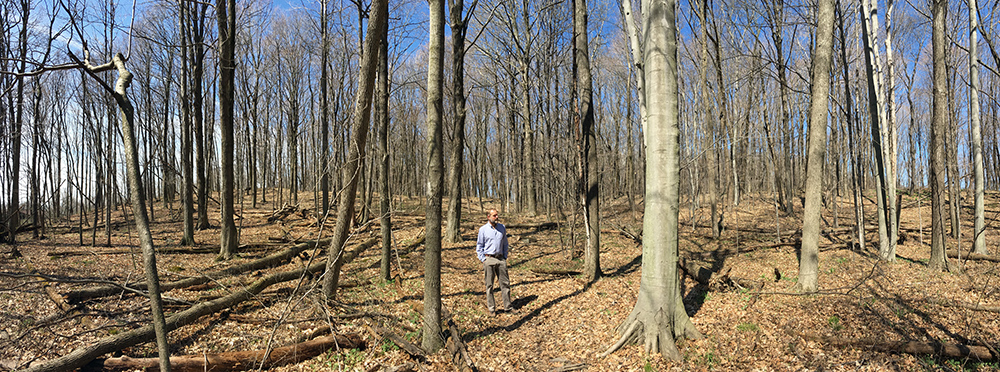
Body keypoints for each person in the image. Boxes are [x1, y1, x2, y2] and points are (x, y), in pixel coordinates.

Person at [476, 208, 512, 315]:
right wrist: (483, 259)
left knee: (505, 284)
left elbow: (505, 243)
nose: (496, 217)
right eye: (494, 215)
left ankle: (508, 307)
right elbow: (479, 246)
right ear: (488, 217)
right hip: (489, 259)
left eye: (497, 215)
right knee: (489, 285)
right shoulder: (483, 230)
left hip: (500, 259)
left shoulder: (502, 228)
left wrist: (505, 257)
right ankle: (492, 309)